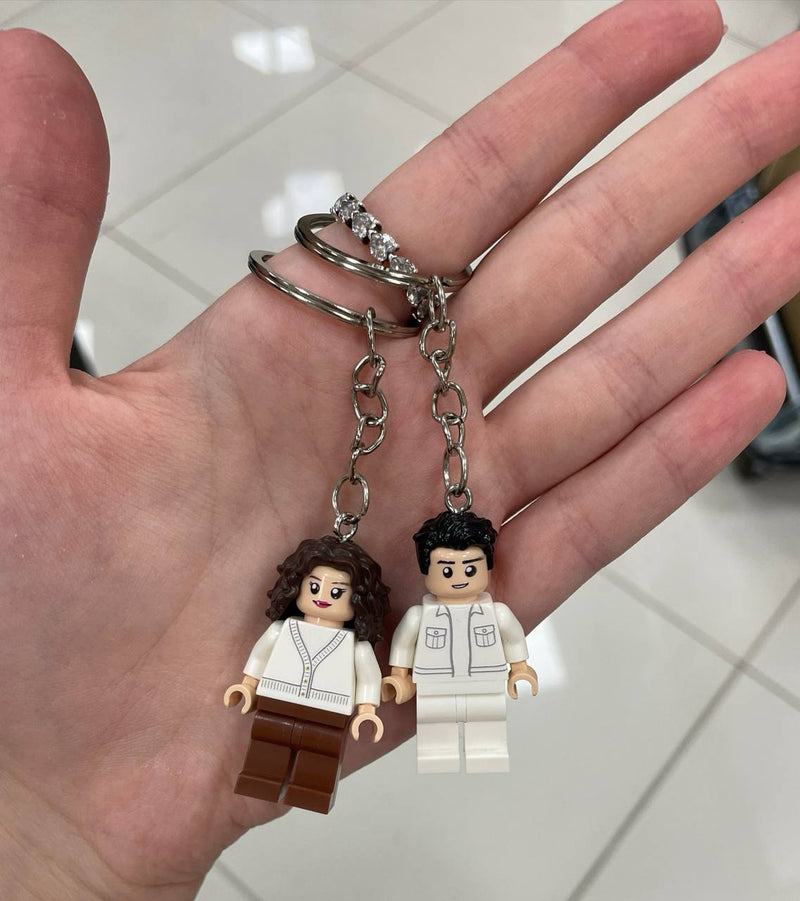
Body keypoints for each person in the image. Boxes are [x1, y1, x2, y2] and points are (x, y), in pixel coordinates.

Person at [2, 2, 799, 897]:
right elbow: (340, 666)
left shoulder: (437, 613)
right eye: (323, 589)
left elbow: (429, 658)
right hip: (292, 705)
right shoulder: (305, 635)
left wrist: (491, 667)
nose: (329, 596)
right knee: (286, 756)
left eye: (461, 570)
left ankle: (416, 746)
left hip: (423, 683)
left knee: (448, 728)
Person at [223, 536, 390, 814]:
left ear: (358, 600)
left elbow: (369, 678)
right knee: (267, 745)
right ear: (297, 586)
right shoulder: (281, 630)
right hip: (276, 703)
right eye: (314, 586)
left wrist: (367, 710)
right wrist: (247, 685)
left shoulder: (356, 647)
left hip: (329, 713)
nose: (322, 597)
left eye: (336, 593)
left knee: (321, 756)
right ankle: (260, 781)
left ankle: (311, 792)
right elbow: (260, 657)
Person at [382, 511, 538, 773]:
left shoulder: (496, 614)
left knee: (487, 729)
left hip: (485, 680)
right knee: (436, 734)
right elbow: (403, 646)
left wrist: (520, 669)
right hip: (435, 683)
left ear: (486, 567)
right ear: (426, 571)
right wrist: (399, 676)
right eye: (446, 570)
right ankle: (438, 760)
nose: (459, 578)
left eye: (470, 568)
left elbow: (512, 640)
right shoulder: (419, 617)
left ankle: (487, 757)